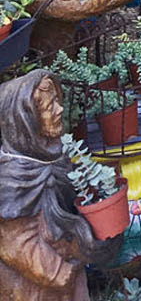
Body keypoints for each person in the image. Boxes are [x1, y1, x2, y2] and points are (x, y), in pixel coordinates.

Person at [0, 69, 96, 301]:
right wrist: (62, 272)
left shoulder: (55, 157)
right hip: (35, 285)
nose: (59, 110)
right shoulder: (12, 178)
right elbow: (15, 245)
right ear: (26, 120)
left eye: (56, 101)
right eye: (48, 107)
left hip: (69, 269)